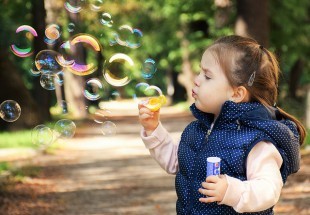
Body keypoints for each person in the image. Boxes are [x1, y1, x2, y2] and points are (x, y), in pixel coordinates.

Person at [138, 35, 306, 215]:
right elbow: (176, 162)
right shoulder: (196, 130)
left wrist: (231, 191)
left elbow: (269, 189)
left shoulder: (256, 141)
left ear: (236, 93)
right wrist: (153, 129)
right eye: (199, 72)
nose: (197, 80)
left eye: (207, 76)